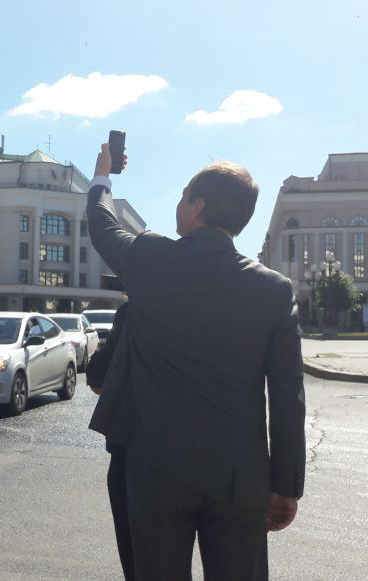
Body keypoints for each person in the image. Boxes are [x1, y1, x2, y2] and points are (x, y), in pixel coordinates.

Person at [86, 144, 305, 580]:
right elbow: (287, 397)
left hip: (155, 470)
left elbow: (102, 224)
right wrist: (285, 486)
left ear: (198, 205)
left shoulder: (150, 259)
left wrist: (102, 176)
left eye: (184, 195)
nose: (178, 204)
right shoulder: (274, 290)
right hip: (239, 479)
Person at [85, 299, 134, 581]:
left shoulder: (136, 308)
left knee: (138, 554)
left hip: (133, 448)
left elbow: (99, 377)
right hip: (214, 455)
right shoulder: (237, 296)